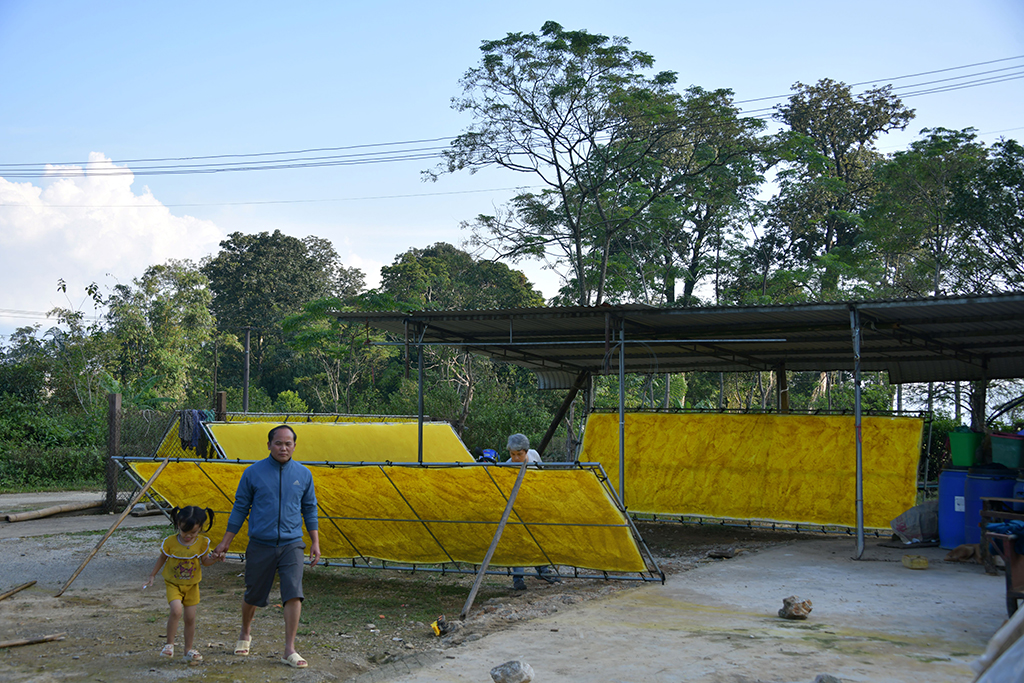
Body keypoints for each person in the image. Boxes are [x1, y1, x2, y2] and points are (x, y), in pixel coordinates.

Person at [213, 425, 321, 669]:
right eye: (278, 443)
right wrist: (225, 542)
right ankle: (245, 632)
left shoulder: (303, 474)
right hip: (260, 543)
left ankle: (289, 649)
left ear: (294, 446)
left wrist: (315, 542)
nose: (283, 448)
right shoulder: (253, 473)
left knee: (294, 593)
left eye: (288, 443)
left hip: (292, 543)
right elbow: (240, 508)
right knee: (254, 594)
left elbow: (310, 508)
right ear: (269, 445)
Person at [145, 505, 220, 663]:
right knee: (176, 610)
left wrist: (214, 558)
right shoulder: (171, 542)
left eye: (194, 532)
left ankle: (188, 650)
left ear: (200, 528)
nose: (189, 536)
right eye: (186, 532)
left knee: (190, 618)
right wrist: (152, 575)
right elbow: (162, 558)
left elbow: (205, 561)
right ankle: (169, 645)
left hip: (192, 585)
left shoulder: (201, 543)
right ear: (178, 524)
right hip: (173, 583)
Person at [506, 433, 562, 591]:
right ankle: (518, 579)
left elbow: (542, 476)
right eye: (513, 454)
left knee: (539, 536)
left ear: (526, 451)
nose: (516, 458)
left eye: (519, 454)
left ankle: (543, 571)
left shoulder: (534, 456)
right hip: (517, 506)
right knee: (518, 541)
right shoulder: (508, 466)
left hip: (536, 504)